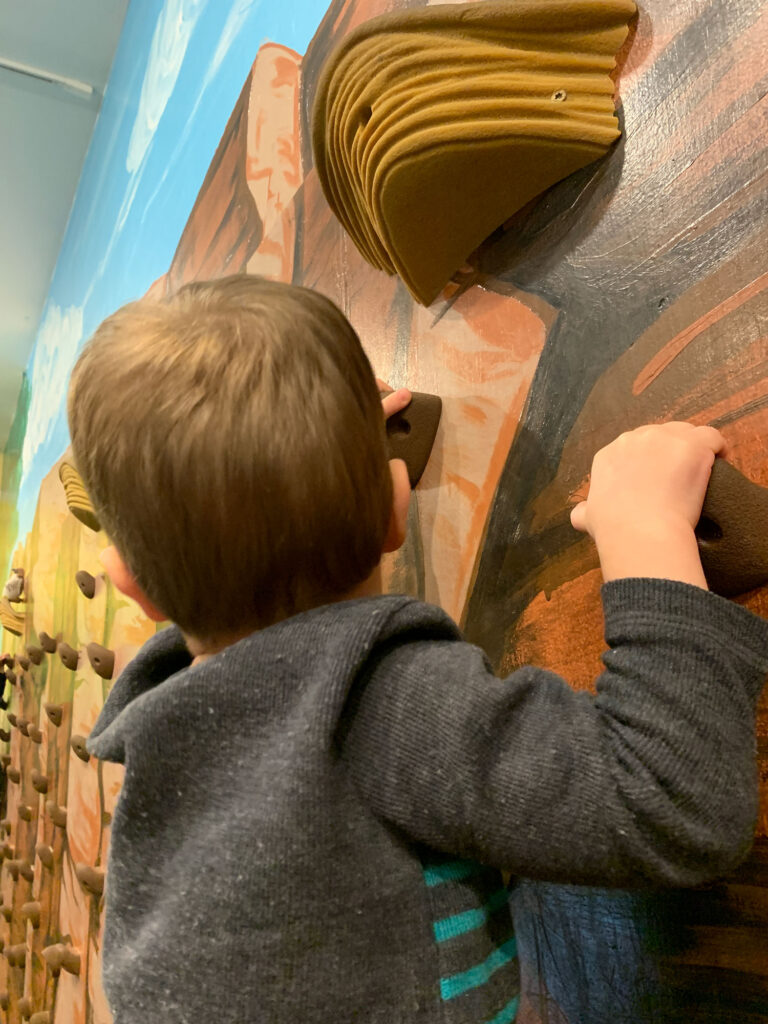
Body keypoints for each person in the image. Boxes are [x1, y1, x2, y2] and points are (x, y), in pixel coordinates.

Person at [68, 275, 768, 1024]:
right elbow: (667, 805)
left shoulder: (163, 766)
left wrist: (285, 461)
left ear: (132, 588)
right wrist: (648, 531)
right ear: (397, 506)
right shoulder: (373, 704)